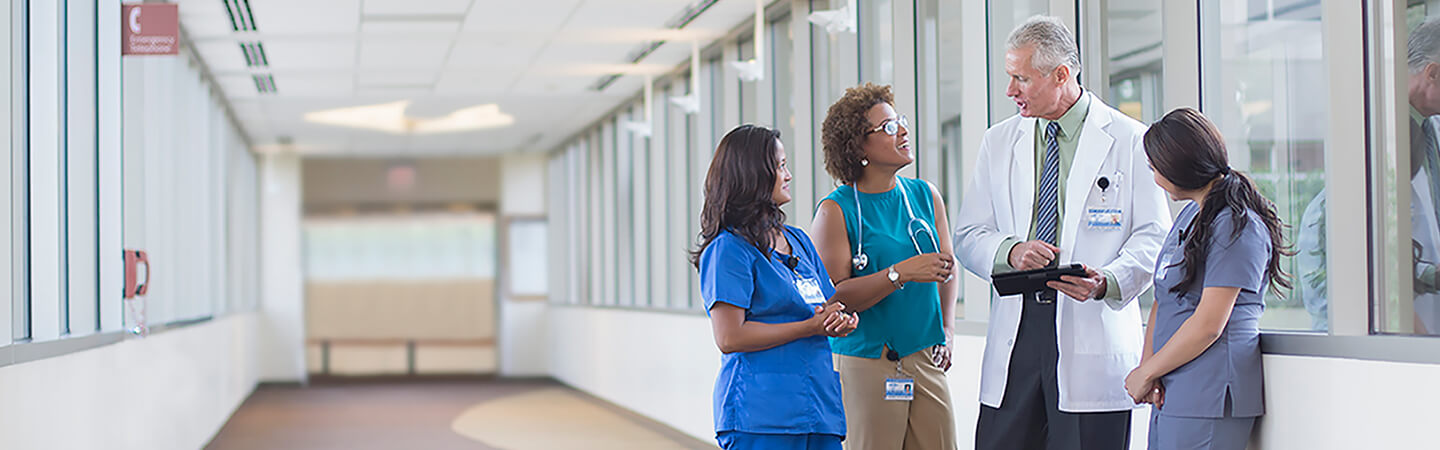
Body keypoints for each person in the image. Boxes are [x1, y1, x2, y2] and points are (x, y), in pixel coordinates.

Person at [951, 16, 1171, 450]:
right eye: (1009, 77)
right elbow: (968, 233)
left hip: (1090, 320)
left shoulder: (1128, 139)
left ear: (1061, 75)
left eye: (1021, 78)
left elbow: (1154, 235)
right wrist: (1010, 251)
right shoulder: (999, 142)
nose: (1010, 90)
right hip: (1019, 327)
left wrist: (1109, 279)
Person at [1123, 107, 1293, 450]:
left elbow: (1209, 324)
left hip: (1209, 391)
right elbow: (1163, 297)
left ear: (1179, 167)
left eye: (1156, 168)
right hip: (1171, 388)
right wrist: (1149, 369)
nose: (1154, 177)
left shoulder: (1235, 224)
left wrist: (1147, 372)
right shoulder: (1191, 216)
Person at [810, 83, 959, 450]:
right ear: (859, 145)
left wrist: (948, 328)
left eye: (900, 122)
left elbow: (946, 269)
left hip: (925, 355)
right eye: (889, 127)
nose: (903, 131)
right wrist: (899, 274)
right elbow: (835, 298)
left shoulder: (925, 195)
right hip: (868, 362)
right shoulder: (836, 210)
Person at [693, 124, 861, 450]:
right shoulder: (729, 249)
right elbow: (729, 337)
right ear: (754, 174)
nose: (789, 174)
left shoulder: (797, 239)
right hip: (761, 415)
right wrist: (809, 326)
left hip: (818, 408)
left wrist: (839, 321)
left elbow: (825, 306)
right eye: (781, 166)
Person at [1297, 17, 1440, 335]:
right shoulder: (1375, 128)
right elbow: (1361, 262)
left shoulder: (1427, 129)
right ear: (1432, 73)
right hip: (1385, 337)